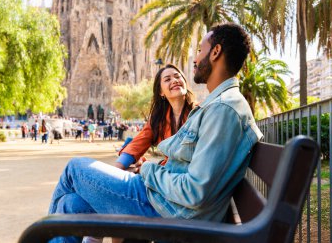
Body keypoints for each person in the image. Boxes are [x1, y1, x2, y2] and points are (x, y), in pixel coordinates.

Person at [48, 23, 263, 243]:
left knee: (74, 169)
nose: (195, 59)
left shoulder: (223, 109)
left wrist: (148, 170)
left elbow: (195, 191)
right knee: (71, 204)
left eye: (200, 50)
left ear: (215, 52)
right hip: (163, 200)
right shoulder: (216, 105)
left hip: (168, 211)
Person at [115, 64, 195, 170]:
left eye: (177, 76)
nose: (175, 80)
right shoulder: (159, 120)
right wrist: (117, 168)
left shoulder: (200, 113)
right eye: (167, 79)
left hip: (188, 178)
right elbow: (139, 142)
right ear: (161, 92)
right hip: (167, 174)